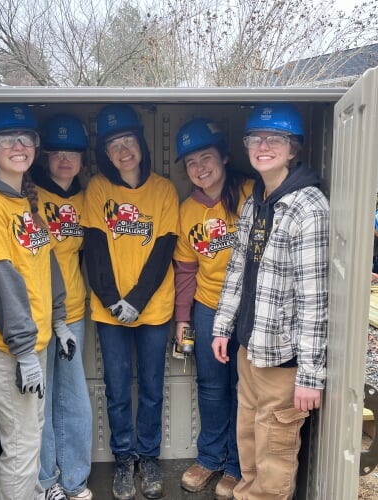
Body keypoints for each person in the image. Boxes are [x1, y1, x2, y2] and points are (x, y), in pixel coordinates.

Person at [211, 103, 329, 500]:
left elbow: (316, 298)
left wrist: (311, 375)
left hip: (284, 361)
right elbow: (237, 271)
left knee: (274, 451)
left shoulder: (308, 208)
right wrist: (223, 327)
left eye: (274, 139)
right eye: (255, 139)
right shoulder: (256, 201)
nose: (263, 145)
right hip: (250, 348)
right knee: (249, 439)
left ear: (293, 148)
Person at [0, 103, 74, 499]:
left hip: (34, 343)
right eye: (4, 139)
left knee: (31, 432)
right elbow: (1, 283)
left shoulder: (23, 203)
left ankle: (34, 493)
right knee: (22, 445)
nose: (18, 146)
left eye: (26, 138)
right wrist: (24, 351)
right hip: (10, 350)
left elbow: (46, 267)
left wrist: (60, 320)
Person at [82, 104, 179, 500]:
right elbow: (94, 248)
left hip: (154, 309)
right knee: (118, 388)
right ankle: (124, 458)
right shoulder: (98, 190)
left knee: (153, 387)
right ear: (105, 153)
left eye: (128, 141)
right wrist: (111, 301)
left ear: (141, 143)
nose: (123, 150)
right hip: (110, 312)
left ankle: (148, 456)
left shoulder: (164, 190)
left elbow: (163, 249)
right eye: (113, 144)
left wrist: (137, 300)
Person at [172, 118, 254, 499]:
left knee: (243, 389)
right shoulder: (188, 210)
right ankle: (209, 458)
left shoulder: (253, 192)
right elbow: (186, 269)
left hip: (248, 310)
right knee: (210, 387)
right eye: (191, 162)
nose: (200, 168)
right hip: (208, 308)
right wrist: (183, 319)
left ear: (224, 155)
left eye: (206, 156)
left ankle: (237, 466)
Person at [32, 114, 93, 500]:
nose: (65, 161)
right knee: (42, 399)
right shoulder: (31, 196)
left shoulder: (86, 198)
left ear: (82, 159)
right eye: (56, 153)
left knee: (72, 397)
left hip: (73, 311)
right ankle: (46, 480)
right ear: (45, 157)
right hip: (39, 313)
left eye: (72, 153)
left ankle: (73, 480)